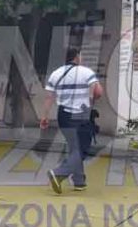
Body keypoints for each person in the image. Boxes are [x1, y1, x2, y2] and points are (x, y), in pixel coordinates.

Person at [40, 47, 103, 194]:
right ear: (77, 57)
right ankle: (59, 173)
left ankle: (79, 181)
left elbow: (49, 97)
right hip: (81, 114)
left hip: (63, 115)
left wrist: (44, 116)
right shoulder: (86, 72)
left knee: (74, 147)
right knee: (81, 150)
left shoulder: (56, 74)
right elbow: (98, 92)